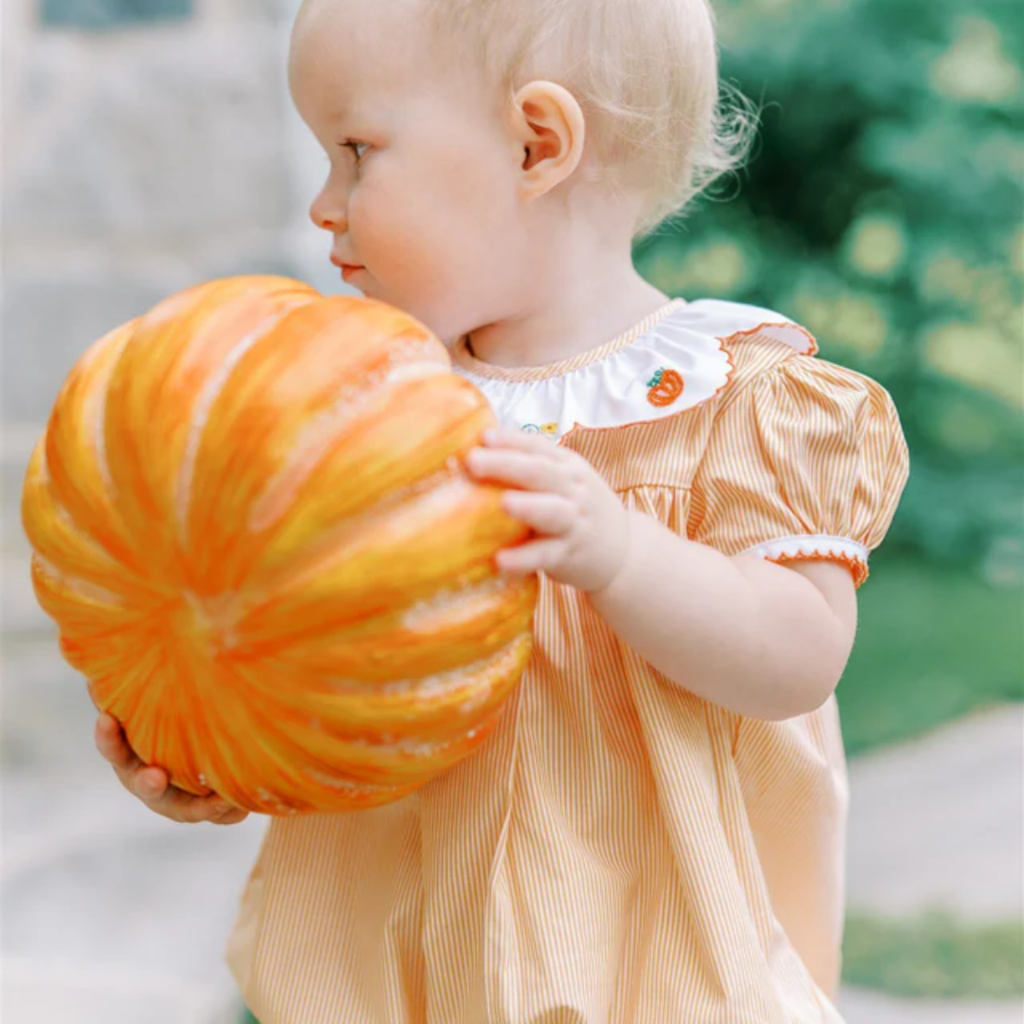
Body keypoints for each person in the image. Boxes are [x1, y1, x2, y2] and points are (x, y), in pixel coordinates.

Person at [95, 0, 910, 1020]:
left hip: (643, 961)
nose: (322, 205)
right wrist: (229, 745)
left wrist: (622, 555)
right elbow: (320, 649)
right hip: (404, 960)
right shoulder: (357, 414)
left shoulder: (728, 403)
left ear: (536, 145)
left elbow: (796, 658)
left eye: (356, 151)